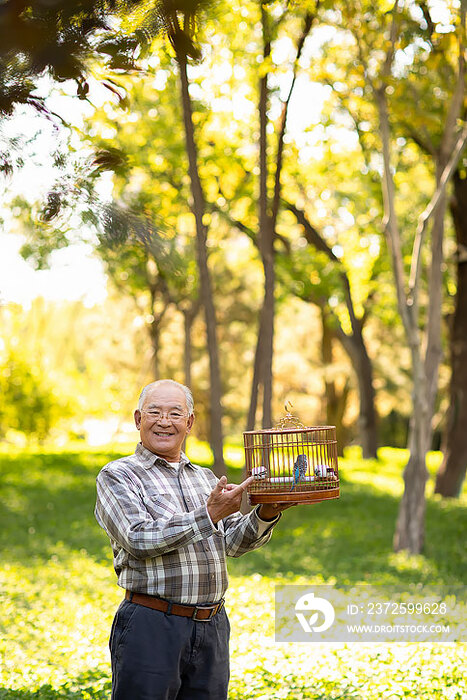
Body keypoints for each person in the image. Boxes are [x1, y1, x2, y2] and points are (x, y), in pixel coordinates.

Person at [95, 379, 295, 700]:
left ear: (189, 423)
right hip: (152, 624)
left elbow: (232, 542)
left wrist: (266, 513)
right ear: (137, 420)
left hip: (212, 626)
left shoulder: (205, 478)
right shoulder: (119, 475)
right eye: (154, 412)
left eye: (175, 414)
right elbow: (138, 538)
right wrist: (208, 515)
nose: (164, 421)